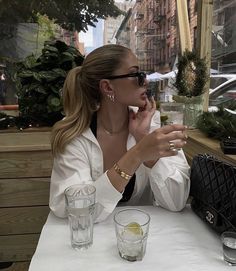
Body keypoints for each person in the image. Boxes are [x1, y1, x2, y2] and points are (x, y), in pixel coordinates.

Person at [49, 44, 190, 223]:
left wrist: (144, 143)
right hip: (91, 240)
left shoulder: (151, 124)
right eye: (136, 75)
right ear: (107, 87)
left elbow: (176, 202)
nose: (145, 81)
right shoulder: (75, 133)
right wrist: (137, 153)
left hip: (139, 236)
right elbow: (75, 209)